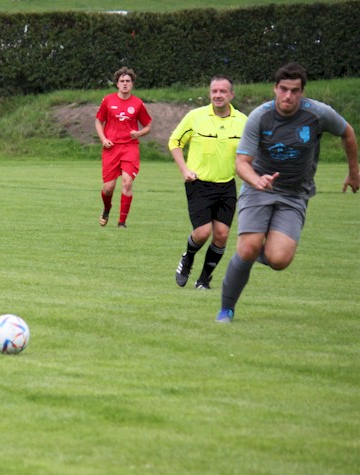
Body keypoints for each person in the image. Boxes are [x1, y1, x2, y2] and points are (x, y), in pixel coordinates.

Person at [217, 63, 359, 323]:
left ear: (302, 92)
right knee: (248, 249)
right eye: (283, 89)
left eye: (294, 91)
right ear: (275, 88)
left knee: (279, 259)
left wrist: (354, 171)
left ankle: (259, 245)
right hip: (258, 187)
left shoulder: (318, 114)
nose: (288, 96)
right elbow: (241, 163)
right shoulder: (260, 117)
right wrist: (256, 180)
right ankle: (226, 309)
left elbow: (347, 133)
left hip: (295, 194)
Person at [169, 75, 248, 290]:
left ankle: (203, 280)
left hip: (227, 184)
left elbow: (251, 152)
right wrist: (184, 169)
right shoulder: (195, 117)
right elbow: (174, 142)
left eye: (223, 91)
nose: (218, 95)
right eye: (214, 91)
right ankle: (188, 258)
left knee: (222, 235)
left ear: (231, 94)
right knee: (203, 232)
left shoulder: (243, 121)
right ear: (209, 93)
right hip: (199, 183)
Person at [95, 67, 152, 229]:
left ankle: (122, 222)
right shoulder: (108, 100)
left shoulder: (138, 103)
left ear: (132, 84)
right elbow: (98, 121)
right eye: (122, 81)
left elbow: (148, 126)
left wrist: (138, 133)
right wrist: (103, 139)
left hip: (130, 147)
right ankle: (107, 208)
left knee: (127, 183)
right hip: (111, 148)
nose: (125, 84)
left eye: (128, 81)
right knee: (108, 188)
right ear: (117, 84)